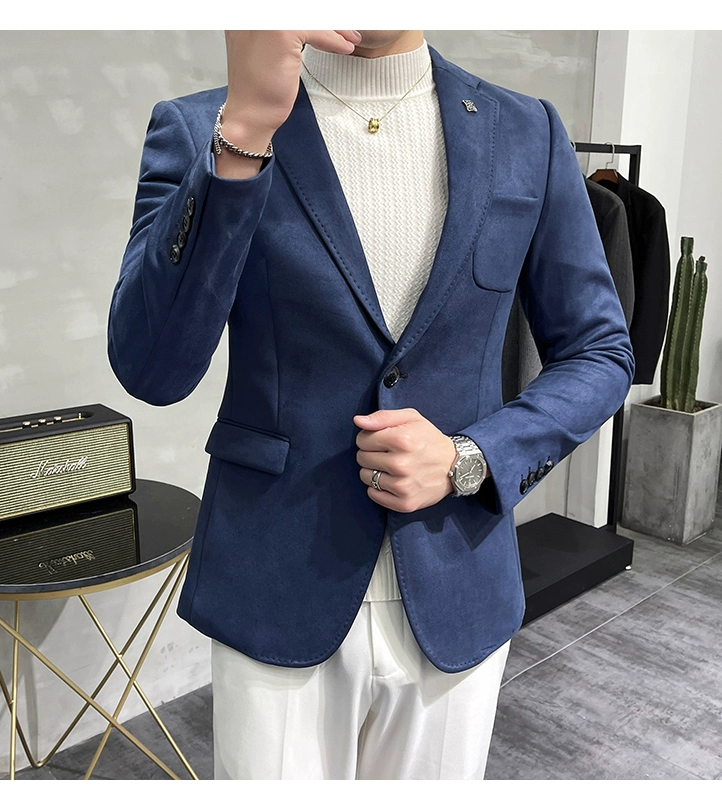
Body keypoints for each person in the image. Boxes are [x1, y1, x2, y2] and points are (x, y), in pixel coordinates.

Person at [108, 30, 634, 780]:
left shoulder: (527, 131)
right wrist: (246, 130)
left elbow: (601, 352)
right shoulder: (204, 127)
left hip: (457, 578)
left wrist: (471, 458)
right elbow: (151, 368)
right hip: (274, 578)